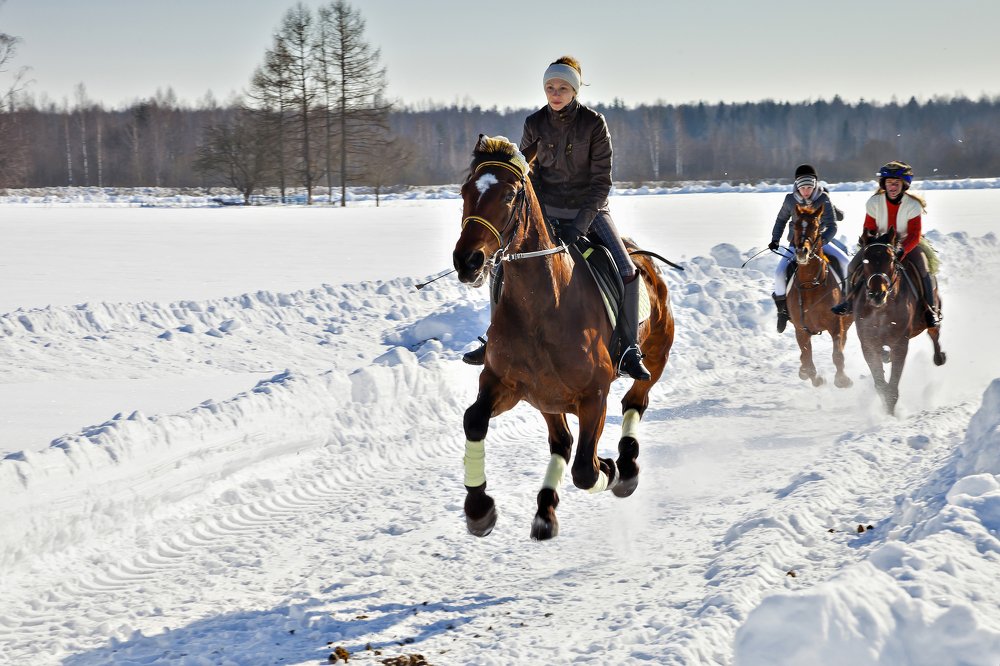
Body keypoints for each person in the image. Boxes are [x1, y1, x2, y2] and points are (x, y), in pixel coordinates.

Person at [463, 55, 651, 380]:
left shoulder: (594, 124)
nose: (555, 93)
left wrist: (580, 224)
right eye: (550, 87)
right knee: (501, 268)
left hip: (590, 214)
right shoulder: (534, 124)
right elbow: (526, 176)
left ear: (575, 90)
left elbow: (601, 182)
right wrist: (536, 216)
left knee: (627, 270)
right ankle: (494, 337)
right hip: (544, 214)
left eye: (563, 87)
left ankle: (629, 348)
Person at [831, 160, 940, 328]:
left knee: (923, 268)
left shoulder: (912, 205)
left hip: (907, 244)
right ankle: (849, 301)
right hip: (879, 245)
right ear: (884, 184)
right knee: (853, 266)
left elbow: (914, 235)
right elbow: (869, 227)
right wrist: (868, 238)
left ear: (904, 185)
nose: (893, 187)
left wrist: (901, 249)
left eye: (896, 183)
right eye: (889, 183)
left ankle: (929, 309)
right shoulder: (874, 203)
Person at [767, 164, 849, 333]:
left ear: (815, 185)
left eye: (809, 187)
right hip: (796, 245)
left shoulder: (823, 198)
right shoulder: (790, 200)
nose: (806, 191)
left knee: (845, 262)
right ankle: (782, 312)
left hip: (821, 242)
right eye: (802, 187)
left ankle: (848, 300)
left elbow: (832, 225)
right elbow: (781, 220)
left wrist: (822, 240)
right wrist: (775, 239)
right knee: (779, 273)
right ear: (797, 186)